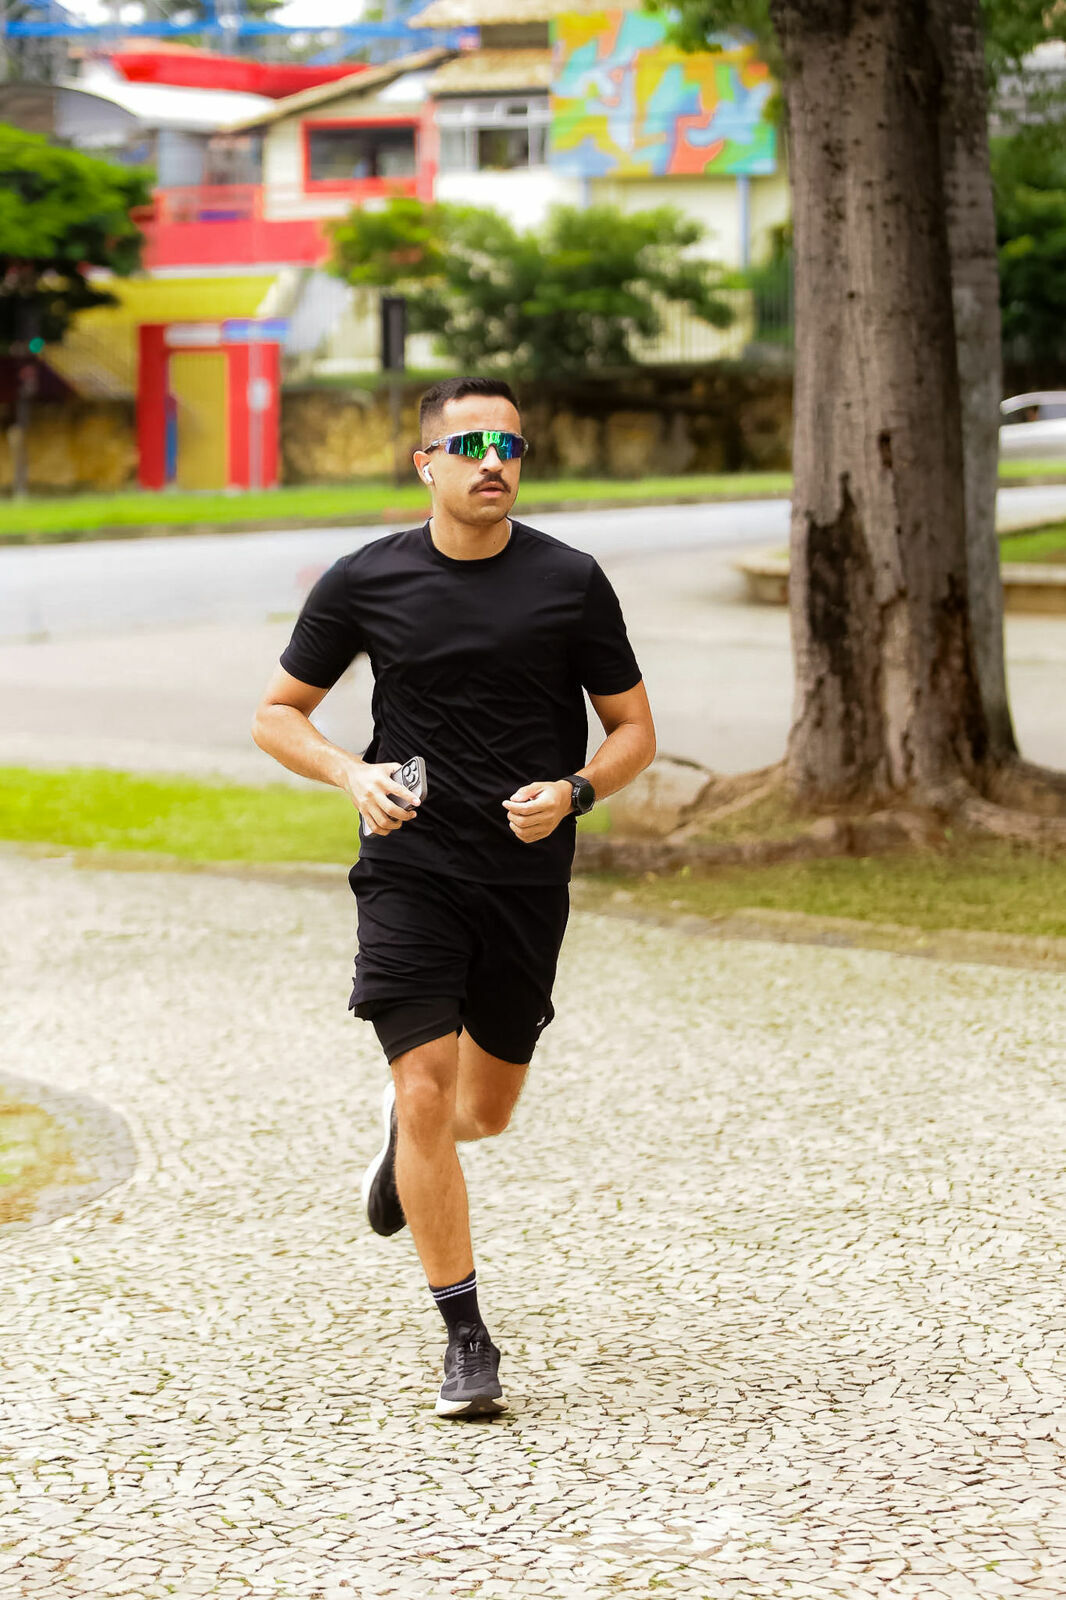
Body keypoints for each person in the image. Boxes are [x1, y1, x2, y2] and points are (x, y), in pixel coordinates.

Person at [252, 376, 656, 1418]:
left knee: (481, 1110)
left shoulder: (569, 581)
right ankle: (466, 1336)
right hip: (409, 866)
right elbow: (278, 714)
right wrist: (351, 773)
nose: (493, 463)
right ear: (424, 462)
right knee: (429, 1084)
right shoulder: (366, 579)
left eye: (510, 447)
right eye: (470, 444)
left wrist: (572, 794)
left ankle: (401, 1134)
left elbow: (632, 734)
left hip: (524, 879)